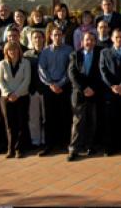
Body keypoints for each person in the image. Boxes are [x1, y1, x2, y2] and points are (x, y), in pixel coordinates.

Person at [37, 28, 74, 156]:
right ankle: (49, 145)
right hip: (49, 87)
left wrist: (60, 84)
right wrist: (51, 84)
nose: (57, 37)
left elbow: (70, 69)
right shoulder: (45, 51)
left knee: (65, 116)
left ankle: (65, 143)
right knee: (49, 117)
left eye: (59, 34)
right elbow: (42, 69)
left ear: (63, 36)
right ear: (51, 36)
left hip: (64, 87)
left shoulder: (69, 50)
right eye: (55, 35)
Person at [67, 32, 103, 161]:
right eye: (87, 40)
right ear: (82, 42)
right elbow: (72, 74)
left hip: (94, 93)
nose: (89, 42)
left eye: (92, 40)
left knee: (92, 121)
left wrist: (92, 88)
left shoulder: (100, 54)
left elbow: (101, 73)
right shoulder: (75, 55)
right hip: (79, 94)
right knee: (78, 122)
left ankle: (89, 145)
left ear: (95, 42)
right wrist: (84, 88)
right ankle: (74, 149)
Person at [0, 42, 31, 158]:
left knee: (21, 122)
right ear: (6, 52)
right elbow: (0, 81)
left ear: (18, 50)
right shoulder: (2, 63)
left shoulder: (25, 63)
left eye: (14, 49)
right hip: (6, 98)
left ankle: (19, 149)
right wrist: (9, 94)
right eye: (10, 50)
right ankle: (10, 148)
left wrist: (16, 94)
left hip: (22, 97)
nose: (12, 52)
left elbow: (26, 80)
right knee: (10, 124)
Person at [24, 30, 46, 149]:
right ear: (31, 40)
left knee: (45, 117)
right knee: (33, 117)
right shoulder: (27, 55)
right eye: (35, 38)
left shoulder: (48, 52)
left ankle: (45, 139)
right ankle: (35, 141)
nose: (37, 39)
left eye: (39, 37)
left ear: (43, 38)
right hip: (32, 90)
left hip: (45, 90)